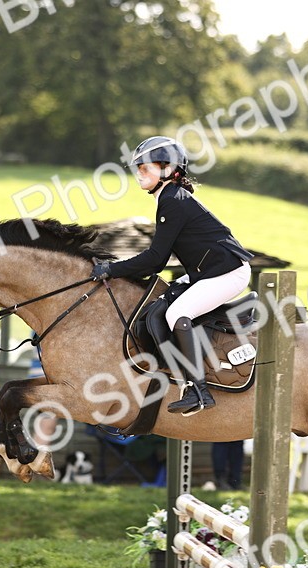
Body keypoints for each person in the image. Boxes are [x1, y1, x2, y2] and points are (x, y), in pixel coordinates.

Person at [91, 136, 254, 416]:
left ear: (167, 169)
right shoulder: (170, 198)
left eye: (145, 168)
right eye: (138, 168)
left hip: (228, 273)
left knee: (177, 313)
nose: (139, 173)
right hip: (209, 271)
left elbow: (156, 259)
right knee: (159, 309)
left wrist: (111, 269)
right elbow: (157, 259)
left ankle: (199, 391)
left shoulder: (172, 201)